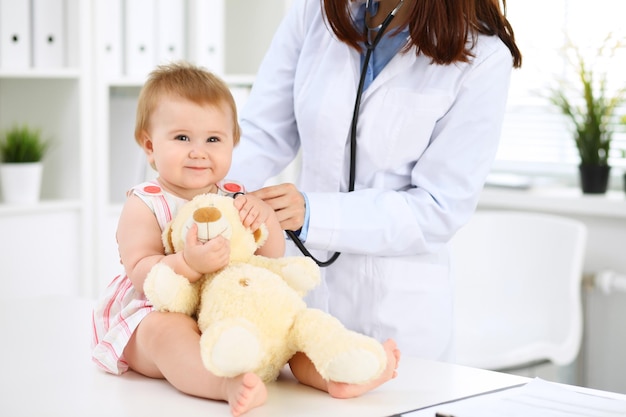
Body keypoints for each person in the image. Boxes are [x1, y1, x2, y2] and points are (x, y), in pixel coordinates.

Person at [91, 62, 400, 417]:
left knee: (285, 325)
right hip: (160, 309)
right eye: (181, 138)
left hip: (225, 308)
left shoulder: (235, 196)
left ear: (233, 143)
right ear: (149, 146)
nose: (198, 151)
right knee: (166, 333)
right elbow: (140, 271)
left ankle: (336, 374)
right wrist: (188, 263)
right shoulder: (145, 202)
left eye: (213, 139)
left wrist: (263, 217)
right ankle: (223, 383)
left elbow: (269, 258)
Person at [228, 0, 523, 364]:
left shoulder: (483, 57)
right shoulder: (313, 15)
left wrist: (311, 213)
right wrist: (198, 191)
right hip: (302, 300)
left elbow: (437, 208)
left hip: (394, 317)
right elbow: (262, 133)